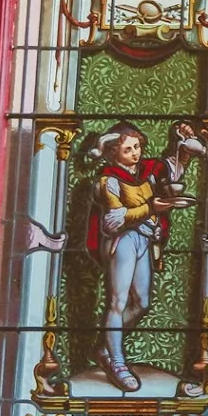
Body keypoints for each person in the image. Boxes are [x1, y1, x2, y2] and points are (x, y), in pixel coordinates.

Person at [84, 122, 192, 392]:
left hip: (145, 239)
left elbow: (177, 163)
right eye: (128, 149)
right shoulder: (108, 180)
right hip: (122, 241)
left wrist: (183, 141)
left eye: (138, 146)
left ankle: (105, 346)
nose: (136, 153)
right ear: (112, 153)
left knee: (141, 302)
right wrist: (150, 207)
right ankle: (118, 363)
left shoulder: (147, 173)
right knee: (118, 301)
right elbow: (113, 220)